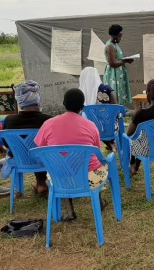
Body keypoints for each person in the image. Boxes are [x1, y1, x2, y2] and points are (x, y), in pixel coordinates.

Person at [34, 88, 107, 221]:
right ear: (82, 107)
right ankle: (99, 200)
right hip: (90, 178)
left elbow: (40, 150)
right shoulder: (90, 126)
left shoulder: (48, 124)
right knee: (96, 165)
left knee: (62, 167)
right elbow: (97, 153)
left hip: (60, 179)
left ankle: (69, 211)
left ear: (63, 103)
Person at [3, 81, 53, 195]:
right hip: (44, 159)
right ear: (37, 100)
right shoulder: (48, 120)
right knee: (40, 149)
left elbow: (6, 144)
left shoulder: (9, 120)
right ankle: (41, 183)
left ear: (20, 102)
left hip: (19, 159)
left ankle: (39, 184)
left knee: (31, 150)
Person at [79, 66, 118, 152]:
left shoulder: (79, 93)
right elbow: (116, 108)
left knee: (93, 121)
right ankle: (111, 142)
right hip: (111, 127)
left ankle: (109, 144)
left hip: (89, 130)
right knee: (105, 121)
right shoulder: (107, 89)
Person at [103, 24, 134, 105]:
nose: (121, 38)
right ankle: (116, 113)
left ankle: (118, 111)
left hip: (118, 74)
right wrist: (125, 61)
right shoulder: (110, 46)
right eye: (120, 36)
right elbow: (112, 63)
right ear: (114, 35)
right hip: (113, 75)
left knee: (119, 93)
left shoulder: (114, 45)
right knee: (115, 94)